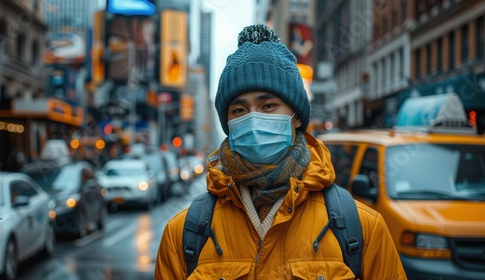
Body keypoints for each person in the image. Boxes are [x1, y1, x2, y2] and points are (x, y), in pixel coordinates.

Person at [155, 24, 406, 279]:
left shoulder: (362, 228)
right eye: (239, 110)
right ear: (228, 124)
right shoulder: (183, 234)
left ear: (297, 118)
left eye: (268, 106)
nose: (253, 118)